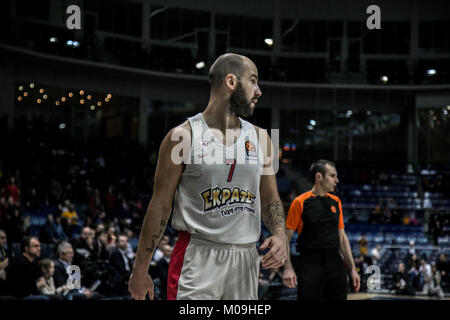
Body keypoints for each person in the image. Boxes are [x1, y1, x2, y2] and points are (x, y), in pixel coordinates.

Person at [128, 53, 288, 300]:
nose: (259, 92)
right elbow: (159, 206)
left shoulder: (263, 138)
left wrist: (279, 235)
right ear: (231, 82)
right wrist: (140, 270)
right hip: (197, 257)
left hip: (246, 257)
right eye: (253, 81)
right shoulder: (181, 137)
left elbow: (271, 200)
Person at [283, 160, 360, 300]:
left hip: (335, 262)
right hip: (310, 264)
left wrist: (352, 269)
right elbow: (285, 239)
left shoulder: (336, 201)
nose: (337, 180)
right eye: (332, 176)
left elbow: (342, 238)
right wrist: (288, 268)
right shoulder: (300, 202)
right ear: (319, 177)